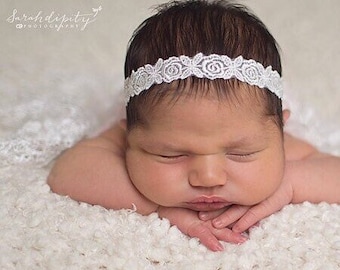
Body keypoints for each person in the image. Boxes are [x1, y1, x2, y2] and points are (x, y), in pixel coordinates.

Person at [47, 0, 340, 252]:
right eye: (171, 155)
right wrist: (161, 208)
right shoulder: (148, 126)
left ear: (280, 133)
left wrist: (289, 183)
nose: (208, 177)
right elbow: (69, 171)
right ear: (129, 135)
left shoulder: (262, 130)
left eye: (240, 153)